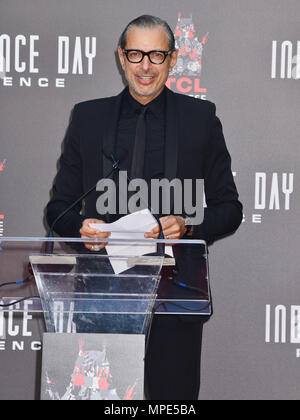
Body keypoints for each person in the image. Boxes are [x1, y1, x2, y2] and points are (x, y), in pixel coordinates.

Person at [46, 15, 243, 400]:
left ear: (172, 60)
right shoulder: (88, 117)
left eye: (156, 54)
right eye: (136, 54)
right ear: (122, 57)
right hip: (100, 294)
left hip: (176, 294)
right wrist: (80, 228)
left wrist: (187, 226)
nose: (146, 66)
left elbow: (229, 209)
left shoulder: (200, 118)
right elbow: (58, 209)